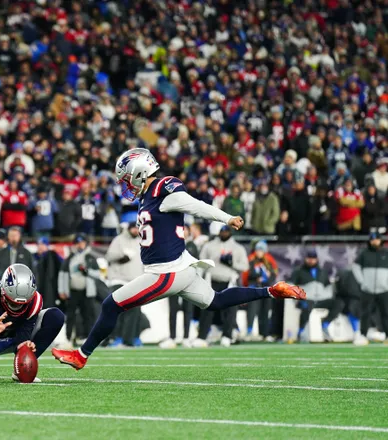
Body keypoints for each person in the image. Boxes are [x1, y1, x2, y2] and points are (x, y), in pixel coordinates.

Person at [52, 149, 305, 369]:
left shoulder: (164, 191)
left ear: (140, 173)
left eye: (128, 180)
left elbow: (194, 204)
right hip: (180, 268)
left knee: (111, 305)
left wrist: (226, 218)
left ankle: (81, 355)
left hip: (165, 272)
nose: (126, 186)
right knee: (215, 301)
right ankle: (272, 291)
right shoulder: (148, 195)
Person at [197, 225, 250, 347]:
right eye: (222, 231)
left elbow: (245, 266)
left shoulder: (237, 248)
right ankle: (202, 336)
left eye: (226, 231)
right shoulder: (209, 246)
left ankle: (227, 335)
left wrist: (232, 263)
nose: (224, 233)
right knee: (207, 309)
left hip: (229, 281)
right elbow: (201, 262)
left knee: (230, 311)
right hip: (212, 280)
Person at [291, 249, 343, 342]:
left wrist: (326, 295)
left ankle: (325, 324)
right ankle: (301, 332)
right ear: (305, 259)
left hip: (320, 299)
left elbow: (327, 286)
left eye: (313, 258)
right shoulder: (298, 271)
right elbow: (291, 286)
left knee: (339, 303)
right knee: (306, 306)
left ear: (317, 259)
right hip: (306, 299)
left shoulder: (322, 271)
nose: (311, 260)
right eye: (309, 258)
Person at [106, 223, 145, 348]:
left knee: (135, 311)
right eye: (133, 228)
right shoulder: (118, 240)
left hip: (135, 281)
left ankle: (131, 338)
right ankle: (116, 337)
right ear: (128, 229)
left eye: (137, 228)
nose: (135, 230)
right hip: (119, 280)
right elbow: (109, 257)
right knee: (118, 311)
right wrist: (122, 257)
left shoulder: (142, 241)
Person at [58, 234, 100, 343]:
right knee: (70, 315)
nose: (80, 245)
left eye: (82, 243)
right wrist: (62, 290)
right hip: (73, 290)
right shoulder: (70, 258)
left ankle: (87, 337)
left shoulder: (90, 257)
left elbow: (97, 274)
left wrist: (87, 271)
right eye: (78, 243)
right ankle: (68, 337)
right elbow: (62, 275)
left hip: (87, 291)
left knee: (87, 315)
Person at [352, 233, 388, 346]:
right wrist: (363, 282)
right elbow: (355, 267)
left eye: (376, 239)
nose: (375, 242)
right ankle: (363, 335)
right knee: (365, 313)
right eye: (372, 240)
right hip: (367, 290)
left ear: (380, 241)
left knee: (386, 313)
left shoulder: (386, 253)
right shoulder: (364, 253)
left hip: (384, 289)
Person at [242, 241, 278, 342]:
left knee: (265, 311)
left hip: (266, 289)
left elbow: (273, 275)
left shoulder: (269, 262)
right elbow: (247, 275)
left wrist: (267, 279)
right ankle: (249, 332)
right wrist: (257, 278)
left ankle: (265, 333)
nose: (259, 252)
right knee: (252, 310)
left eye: (261, 250)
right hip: (255, 289)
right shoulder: (252, 261)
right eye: (258, 250)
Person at [35, 237, 62, 310]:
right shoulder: (35, 257)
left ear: (47, 246)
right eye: (39, 244)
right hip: (38, 288)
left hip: (50, 289)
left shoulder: (52, 256)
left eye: (42, 244)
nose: (40, 247)